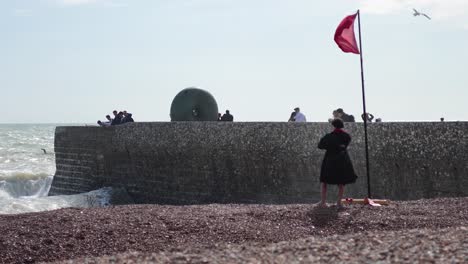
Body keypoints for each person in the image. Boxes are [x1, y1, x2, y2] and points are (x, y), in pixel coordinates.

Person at [318, 119, 358, 208]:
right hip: (342, 160)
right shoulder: (347, 136)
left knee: (325, 181)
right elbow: (344, 145)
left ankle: (323, 202)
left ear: (333, 126)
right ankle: (339, 203)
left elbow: (320, 146)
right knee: (341, 182)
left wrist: (329, 146)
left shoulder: (328, 136)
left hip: (329, 160)